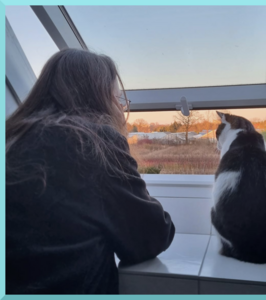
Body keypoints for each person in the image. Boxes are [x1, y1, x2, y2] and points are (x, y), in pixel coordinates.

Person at [6, 48, 175, 294]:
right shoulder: (94, 143)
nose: (120, 107)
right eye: (117, 98)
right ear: (98, 97)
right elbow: (152, 237)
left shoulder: (11, 139)